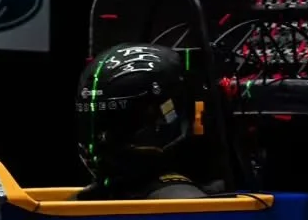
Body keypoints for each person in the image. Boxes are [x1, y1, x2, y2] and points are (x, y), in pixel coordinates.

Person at [73, 43, 219, 200]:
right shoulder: (89, 199)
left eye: (121, 125)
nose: (100, 140)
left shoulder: (183, 204)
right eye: (97, 125)